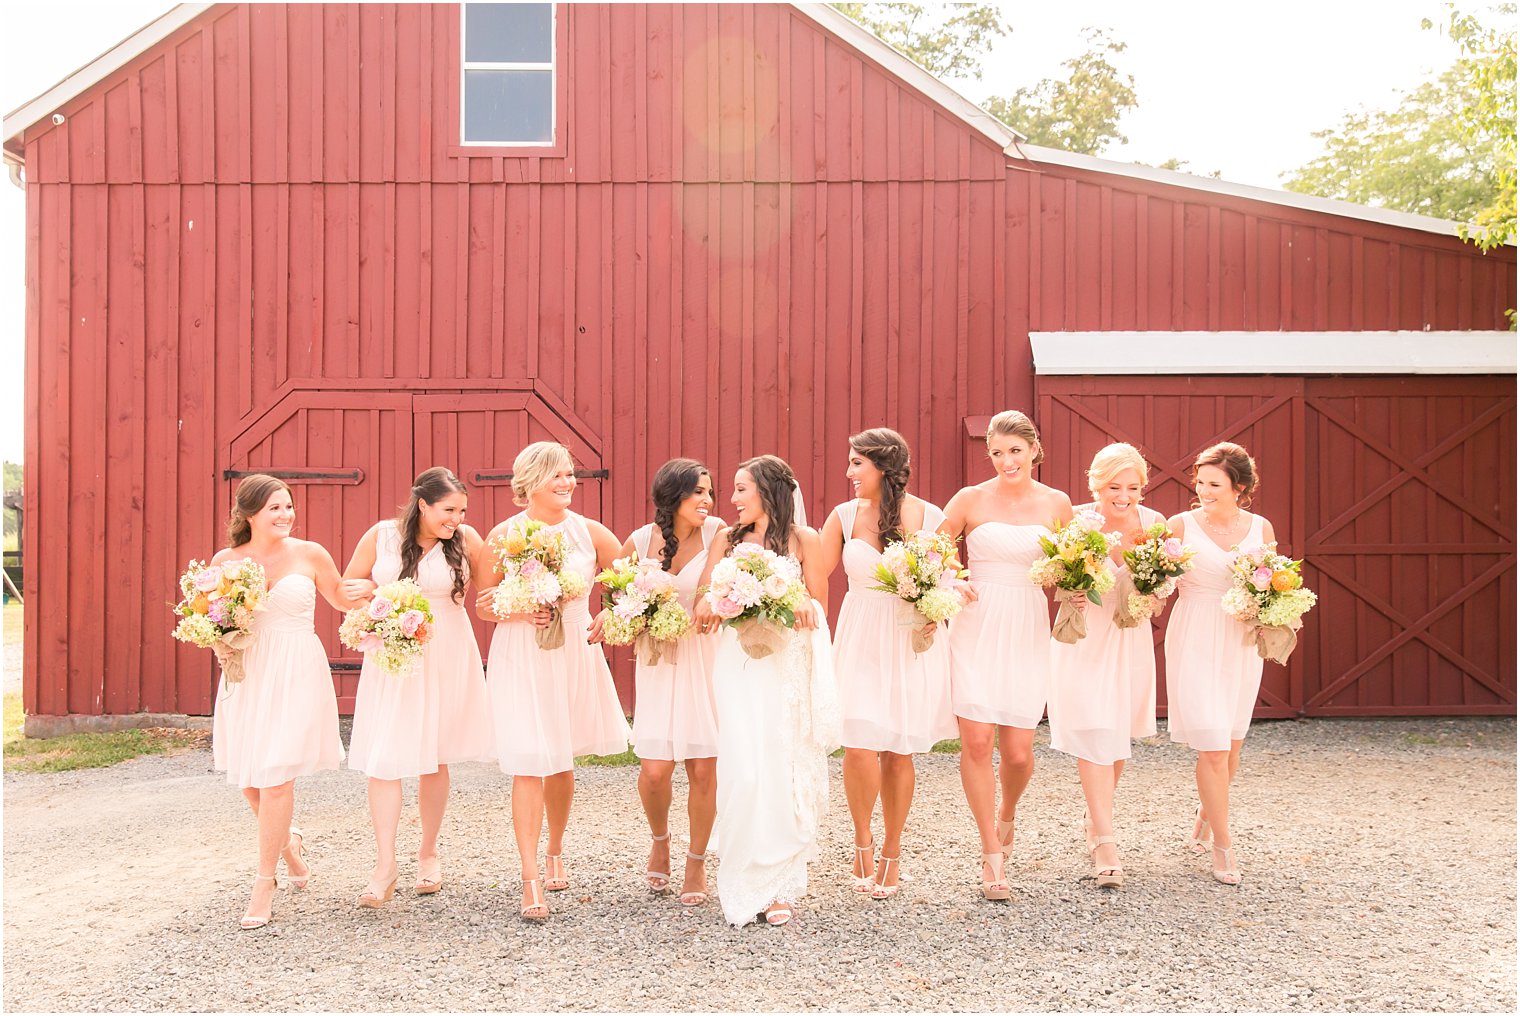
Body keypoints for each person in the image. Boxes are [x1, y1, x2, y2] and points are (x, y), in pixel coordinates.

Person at [473, 442, 631, 921]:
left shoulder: (591, 533)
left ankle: (555, 850)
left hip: (571, 656)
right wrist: (522, 610)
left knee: (561, 762)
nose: (567, 483)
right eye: (556, 476)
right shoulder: (504, 535)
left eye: (569, 475)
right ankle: (528, 878)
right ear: (530, 482)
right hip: (521, 654)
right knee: (528, 762)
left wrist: (611, 613)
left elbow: (631, 584)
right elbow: (483, 603)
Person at [692, 454, 839, 927]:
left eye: (741, 489)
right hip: (739, 665)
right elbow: (701, 599)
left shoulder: (804, 539)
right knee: (744, 770)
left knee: (781, 764)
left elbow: (819, 603)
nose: (731, 500)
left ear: (769, 491)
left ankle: (780, 886)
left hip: (785, 666)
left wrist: (795, 600)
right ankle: (740, 874)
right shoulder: (725, 540)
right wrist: (717, 603)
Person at [209, 473, 357, 929]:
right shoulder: (227, 560)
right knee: (250, 778)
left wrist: (386, 599)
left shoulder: (311, 554)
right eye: (275, 507)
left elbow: (342, 598)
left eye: (288, 506)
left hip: (296, 670)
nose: (285, 515)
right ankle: (288, 843)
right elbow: (214, 618)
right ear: (249, 513)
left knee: (275, 781)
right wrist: (217, 641)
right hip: (249, 672)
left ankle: (263, 880)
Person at [342, 466, 494, 907]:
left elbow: (488, 600)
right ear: (422, 504)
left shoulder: (468, 541)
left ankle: (428, 852)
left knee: (434, 756)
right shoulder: (381, 536)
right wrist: (371, 597)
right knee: (385, 759)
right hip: (394, 649)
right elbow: (350, 588)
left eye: (462, 510)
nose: (457, 519)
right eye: (449, 509)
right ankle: (384, 864)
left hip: (446, 648)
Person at [816, 428, 957, 899]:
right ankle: (862, 838)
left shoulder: (930, 516)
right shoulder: (842, 516)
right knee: (858, 745)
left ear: (883, 466)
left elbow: (946, 578)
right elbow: (814, 575)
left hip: (906, 637)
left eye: (858, 463)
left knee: (898, 750)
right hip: (859, 635)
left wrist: (936, 609)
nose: (849, 472)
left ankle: (893, 850)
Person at [939, 410, 1072, 901]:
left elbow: (1073, 565)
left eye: (1014, 451)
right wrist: (953, 578)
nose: (1005, 461)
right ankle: (991, 854)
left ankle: (1008, 811)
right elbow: (931, 550)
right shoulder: (970, 499)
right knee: (975, 743)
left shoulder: (1057, 503)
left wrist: (1075, 589)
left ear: (1034, 450)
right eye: (996, 453)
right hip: (976, 622)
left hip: (1025, 624)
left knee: (1017, 752)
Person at [595, 459, 723, 907]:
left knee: (704, 768)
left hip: (705, 659)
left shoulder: (719, 535)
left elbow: (712, 590)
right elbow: (619, 598)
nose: (708, 501)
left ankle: (696, 860)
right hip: (658, 663)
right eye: (698, 493)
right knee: (654, 771)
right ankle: (661, 838)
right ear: (673, 496)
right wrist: (613, 614)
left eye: (710, 492)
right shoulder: (637, 541)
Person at [1046, 443, 1164, 889]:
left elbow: (1165, 580)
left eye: (1132, 487)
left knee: (1116, 736)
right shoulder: (1076, 520)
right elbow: (1052, 572)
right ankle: (1106, 842)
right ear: (1096, 483)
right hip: (1085, 638)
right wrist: (1068, 589)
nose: (1123, 496)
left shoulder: (1154, 525)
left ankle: (1096, 819)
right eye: (1114, 486)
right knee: (1094, 730)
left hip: (1129, 638)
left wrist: (1155, 594)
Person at [1164, 442, 1275, 886]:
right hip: (1193, 632)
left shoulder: (1260, 528)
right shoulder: (1180, 525)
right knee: (1211, 745)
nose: (1203, 490)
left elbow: (1271, 583)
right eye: (1200, 481)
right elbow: (1158, 580)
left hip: (1240, 639)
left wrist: (1273, 616)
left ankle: (1206, 813)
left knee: (1230, 744)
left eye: (1214, 484)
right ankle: (1224, 846)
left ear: (1240, 487)